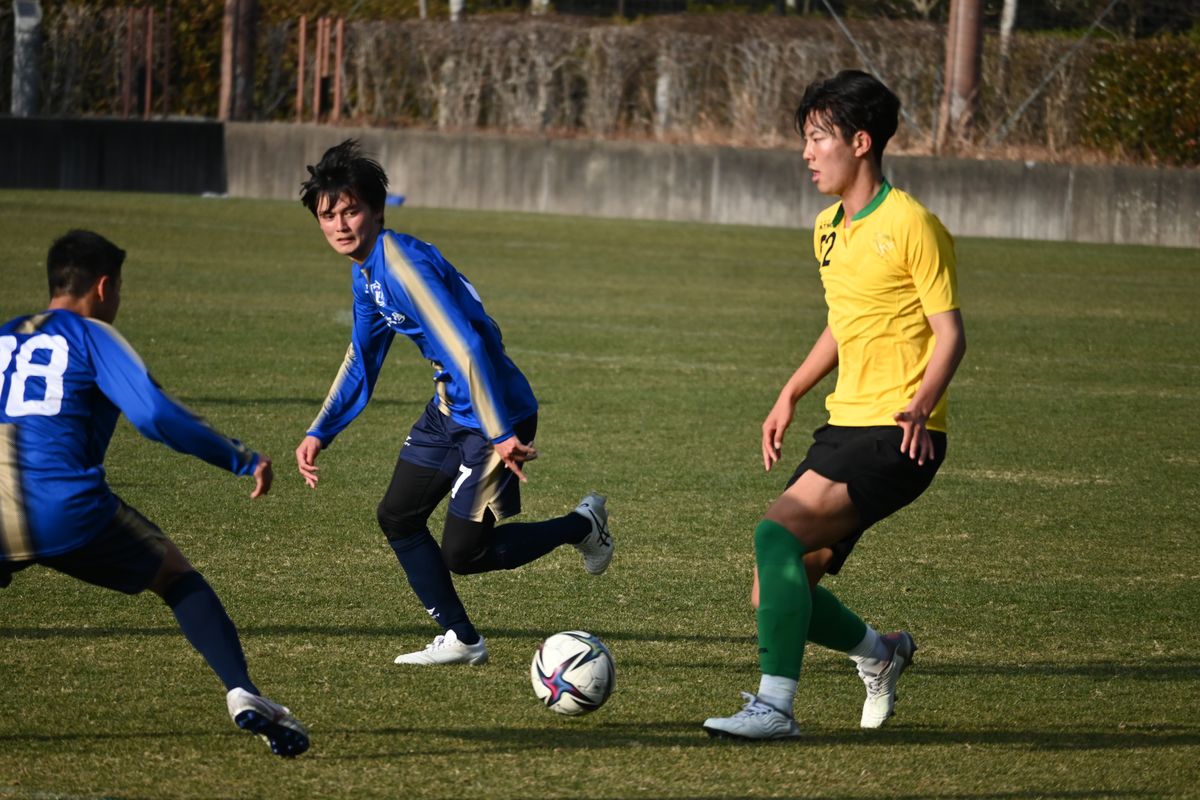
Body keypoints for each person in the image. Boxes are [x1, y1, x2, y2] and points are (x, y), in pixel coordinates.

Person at [702, 70, 967, 739]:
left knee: (774, 537)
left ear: (861, 140)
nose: (806, 152)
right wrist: (790, 392)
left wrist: (921, 402)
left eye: (818, 138)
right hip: (844, 426)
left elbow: (951, 334)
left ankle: (774, 708)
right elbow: (844, 324)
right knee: (777, 588)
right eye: (805, 138)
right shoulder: (826, 228)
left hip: (900, 434)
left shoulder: (912, 224)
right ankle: (882, 655)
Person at [294, 139, 613, 666]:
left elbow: (466, 345)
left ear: (375, 210)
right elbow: (362, 358)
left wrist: (499, 431)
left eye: (351, 210)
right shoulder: (367, 271)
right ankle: (462, 639)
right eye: (329, 215)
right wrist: (319, 431)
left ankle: (583, 526)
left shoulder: (400, 265)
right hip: (449, 411)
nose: (340, 224)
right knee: (397, 516)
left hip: (496, 417)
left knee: (464, 554)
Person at [0, 230, 309, 757]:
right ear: (103, 287)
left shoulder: (6, 335)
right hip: (65, 508)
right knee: (175, 576)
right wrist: (241, 457)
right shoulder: (93, 333)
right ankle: (240, 690)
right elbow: (155, 415)